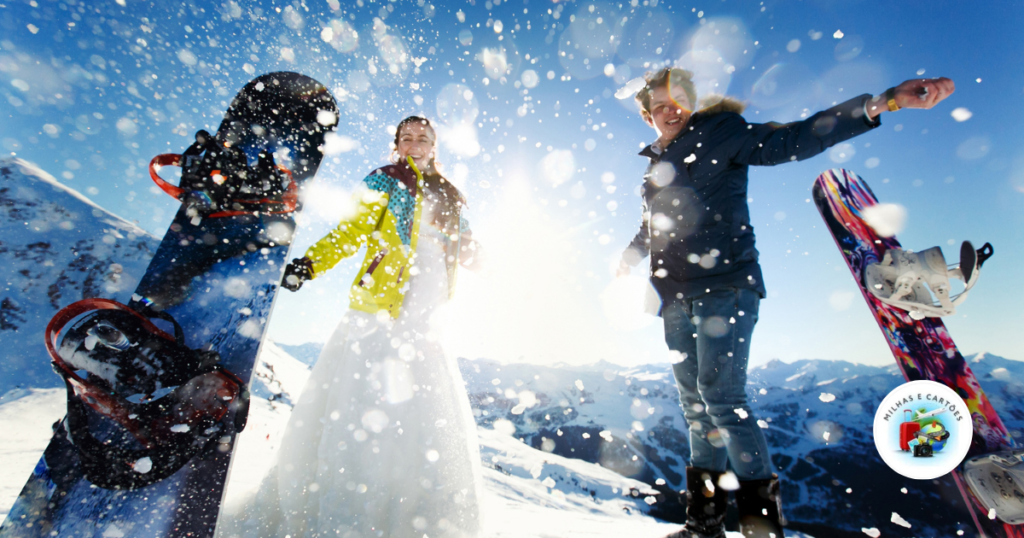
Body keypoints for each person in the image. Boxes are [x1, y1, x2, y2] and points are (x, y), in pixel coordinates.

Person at [615, 68, 954, 538]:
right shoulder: (656, 165)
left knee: (723, 400)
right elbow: (653, 222)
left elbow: (792, 140)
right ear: (647, 114)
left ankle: (760, 530)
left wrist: (883, 103)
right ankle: (704, 526)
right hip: (673, 295)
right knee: (695, 406)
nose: (669, 110)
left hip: (726, 283)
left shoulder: (721, 132)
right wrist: (631, 254)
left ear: (693, 103)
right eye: (658, 105)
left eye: (678, 100)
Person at [251, 116, 483, 538]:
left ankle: (413, 510)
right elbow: (352, 229)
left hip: (429, 299)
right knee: (368, 393)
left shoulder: (451, 193)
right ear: (396, 144)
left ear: (435, 146)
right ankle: (353, 501)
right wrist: (312, 263)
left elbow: (467, 245)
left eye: (423, 139)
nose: (415, 144)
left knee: (421, 398)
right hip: (384, 298)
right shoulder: (386, 179)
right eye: (407, 138)